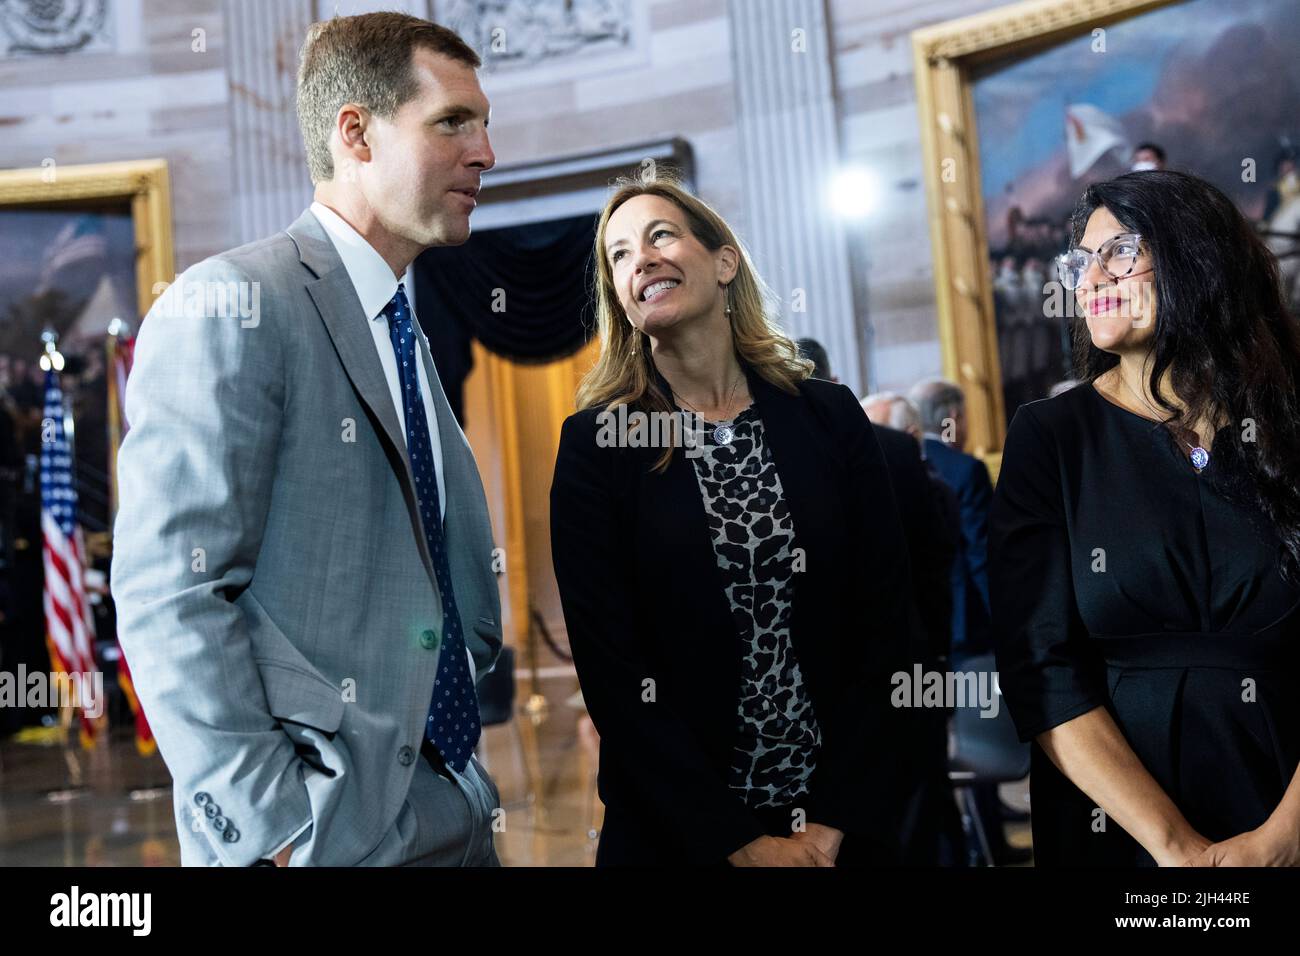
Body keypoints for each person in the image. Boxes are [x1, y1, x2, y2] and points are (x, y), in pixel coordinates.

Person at [111, 13, 503, 867]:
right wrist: (275, 830)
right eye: (453, 122)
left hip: (457, 809)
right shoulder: (231, 302)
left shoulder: (404, 324)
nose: (485, 152)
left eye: (483, 124)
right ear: (354, 133)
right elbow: (167, 591)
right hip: (322, 835)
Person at [550, 175, 911, 866]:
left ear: (723, 262)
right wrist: (738, 844)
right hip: (677, 837)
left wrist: (831, 824)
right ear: (620, 299)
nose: (643, 260)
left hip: (841, 832)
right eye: (620, 256)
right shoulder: (597, 445)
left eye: (661, 235)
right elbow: (614, 672)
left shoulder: (827, 416)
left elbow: (887, 630)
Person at [992, 169, 1300, 866]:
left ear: (1198, 256)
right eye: (1080, 260)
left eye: (1119, 250)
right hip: (1121, 822)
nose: (1090, 275)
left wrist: (1280, 842)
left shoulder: (1288, 424)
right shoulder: (1051, 437)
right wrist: (1179, 849)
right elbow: (1043, 669)